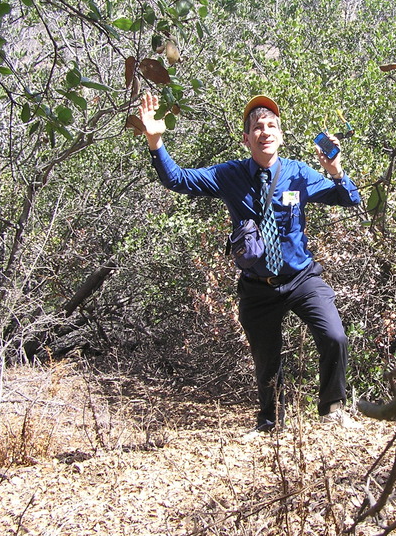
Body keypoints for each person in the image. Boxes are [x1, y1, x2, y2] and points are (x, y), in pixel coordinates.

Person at [138, 92, 361, 432]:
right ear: (246, 138)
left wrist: (336, 171)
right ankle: (271, 424)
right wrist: (156, 143)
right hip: (258, 288)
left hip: (302, 279)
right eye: (258, 127)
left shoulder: (299, 174)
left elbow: (349, 199)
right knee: (267, 362)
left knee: (334, 337)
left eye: (272, 125)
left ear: (281, 136)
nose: (265, 131)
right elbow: (177, 179)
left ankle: (332, 409)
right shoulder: (230, 175)